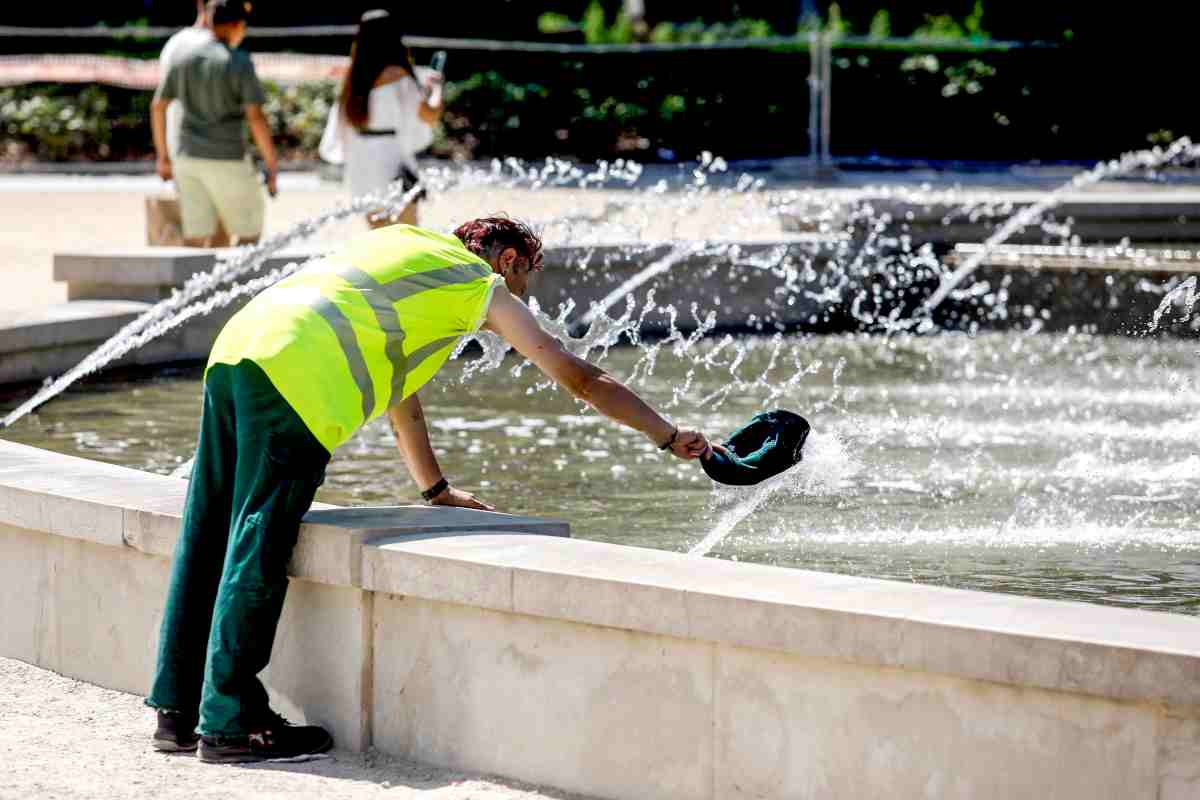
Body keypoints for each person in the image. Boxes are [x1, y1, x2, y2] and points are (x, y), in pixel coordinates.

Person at [147, 217, 711, 763]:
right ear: (506, 260)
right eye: (522, 283)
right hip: (298, 377)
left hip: (239, 349)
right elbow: (581, 379)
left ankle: (174, 710)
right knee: (259, 542)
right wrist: (666, 435)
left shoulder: (403, 245)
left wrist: (436, 489)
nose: (520, 299)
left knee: (209, 527)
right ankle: (232, 723)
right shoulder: (478, 284)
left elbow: (402, 402)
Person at [150, 0, 276, 248]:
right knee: (250, 231)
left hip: (186, 158)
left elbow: (158, 106)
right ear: (237, 25)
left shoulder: (182, 58)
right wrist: (271, 163)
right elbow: (256, 118)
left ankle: (193, 287)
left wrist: (163, 155)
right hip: (227, 155)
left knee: (195, 237)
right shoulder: (239, 62)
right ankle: (239, 285)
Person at [318, 9, 443, 229]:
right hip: (391, 161)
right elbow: (429, 116)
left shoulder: (354, 78)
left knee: (379, 239)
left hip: (361, 162)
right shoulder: (398, 75)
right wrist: (436, 89)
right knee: (407, 235)